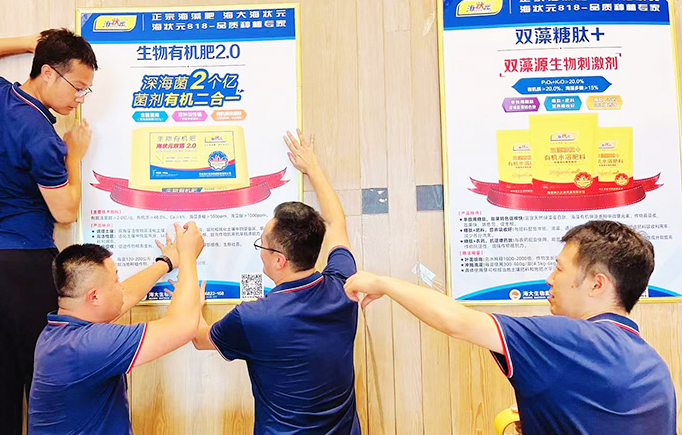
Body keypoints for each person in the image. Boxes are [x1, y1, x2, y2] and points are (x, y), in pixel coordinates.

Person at [345, 220, 676, 434]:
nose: (550, 279)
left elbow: (456, 321)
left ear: (596, 284)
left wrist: (382, 283)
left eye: (559, 269)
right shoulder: (654, 365)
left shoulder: (568, 340)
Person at [0, 28, 97, 433]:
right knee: (42, 375)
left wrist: (26, 43)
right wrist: (75, 156)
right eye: (78, 87)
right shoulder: (41, 137)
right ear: (48, 73)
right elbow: (65, 211)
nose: (80, 99)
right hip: (23, 268)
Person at [192, 130, 361, 434]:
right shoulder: (344, 287)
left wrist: (191, 289)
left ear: (280, 260)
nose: (260, 251)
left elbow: (199, 338)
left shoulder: (253, 317)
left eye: (262, 244)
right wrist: (313, 168)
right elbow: (337, 222)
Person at [28, 222, 204, 434]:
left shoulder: (59, 333)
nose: (121, 286)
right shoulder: (89, 346)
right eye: (116, 280)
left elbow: (126, 295)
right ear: (94, 297)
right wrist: (188, 255)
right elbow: (183, 325)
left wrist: (166, 262)